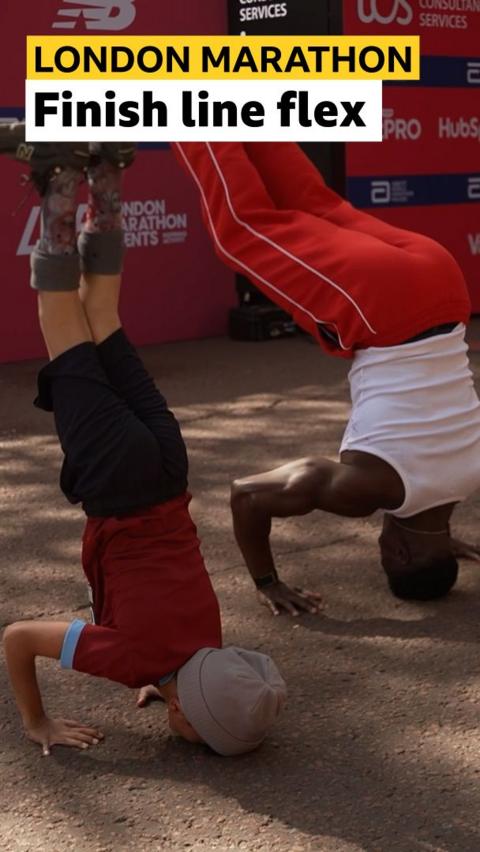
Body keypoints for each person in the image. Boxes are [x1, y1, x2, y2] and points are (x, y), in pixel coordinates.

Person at [1, 127, 286, 755]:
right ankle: (56, 176)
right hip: (117, 483)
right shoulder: (136, 659)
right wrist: (38, 721)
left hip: (167, 467)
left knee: (101, 313)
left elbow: (169, 638)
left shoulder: (206, 643)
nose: (185, 733)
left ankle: (107, 173)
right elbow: (18, 636)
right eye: (194, 728)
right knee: (59, 315)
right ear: (185, 706)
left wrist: (165, 677)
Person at [171, 141, 480, 616]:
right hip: (383, 307)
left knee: (312, 203)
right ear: (397, 552)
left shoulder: (464, 476)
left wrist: (440, 541)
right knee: (240, 230)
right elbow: (247, 496)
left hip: (445, 282)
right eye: (385, 551)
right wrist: (267, 581)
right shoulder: (367, 490)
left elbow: (432, 491)